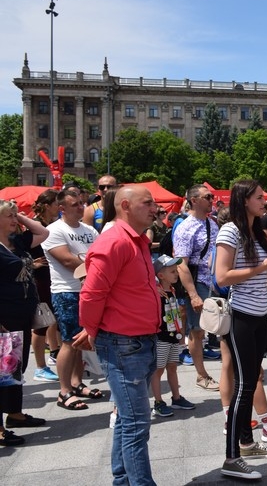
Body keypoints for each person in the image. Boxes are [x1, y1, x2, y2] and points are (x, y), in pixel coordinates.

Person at [75, 186, 162, 485]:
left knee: (128, 421)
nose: (155, 208)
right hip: (125, 344)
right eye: (147, 203)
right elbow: (91, 294)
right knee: (137, 424)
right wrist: (91, 329)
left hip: (138, 342)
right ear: (125, 205)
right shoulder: (114, 242)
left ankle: (123, 481)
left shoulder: (135, 241)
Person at [214, 180, 267, 480]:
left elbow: (260, 271)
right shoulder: (230, 231)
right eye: (259, 197)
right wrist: (262, 268)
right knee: (244, 385)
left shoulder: (256, 231)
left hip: (260, 315)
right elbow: (223, 276)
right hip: (241, 316)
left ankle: (246, 443)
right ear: (244, 200)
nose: (265, 201)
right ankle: (231, 457)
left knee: (252, 378)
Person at [41, 189, 103, 410]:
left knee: (81, 340)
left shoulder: (89, 230)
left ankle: (77, 383)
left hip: (90, 291)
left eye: (81, 203)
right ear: (62, 209)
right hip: (66, 291)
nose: (81, 207)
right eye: (75, 204)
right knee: (68, 341)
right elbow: (68, 260)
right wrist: (91, 263)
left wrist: (90, 263)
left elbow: (99, 256)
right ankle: (64, 391)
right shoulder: (53, 231)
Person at [0, 199, 49, 446]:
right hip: (4, 318)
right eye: (9, 216)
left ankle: (15, 414)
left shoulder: (17, 242)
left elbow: (43, 232)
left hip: (23, 315)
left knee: (16, 367)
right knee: (2, 371)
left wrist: (19, 217)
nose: (14, 219)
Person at [172, 184, 221, 392]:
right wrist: (192, 294)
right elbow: (181, 264)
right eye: (207, 197)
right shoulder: (185, 227)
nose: (212, 199)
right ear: (194, 200)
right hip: (198, 282)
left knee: (217, 328)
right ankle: (201, 375)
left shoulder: (212, 223)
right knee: (197, 331)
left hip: (214, 281)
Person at [150, 254, 196, 418]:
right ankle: (157, 402)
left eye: (176, 271)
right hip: (161, 336)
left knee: (172, 367)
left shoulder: (173, 290)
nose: (176, 274)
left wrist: (180, 332)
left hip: (173, 336)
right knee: (158, 370)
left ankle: (176, 398)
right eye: (172, 272)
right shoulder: (156, 292)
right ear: (160, 275)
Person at [29, 189, 61, 382]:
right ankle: (40, 367)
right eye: (57, 204)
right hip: (39, 279)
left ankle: (49, 359)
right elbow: (19, 251)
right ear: (48, 206)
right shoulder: (35, 226)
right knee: (41, 324)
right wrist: (33, 264)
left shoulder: (52, 225)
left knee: (50, 321)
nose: (59, 207)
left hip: (51, 278)